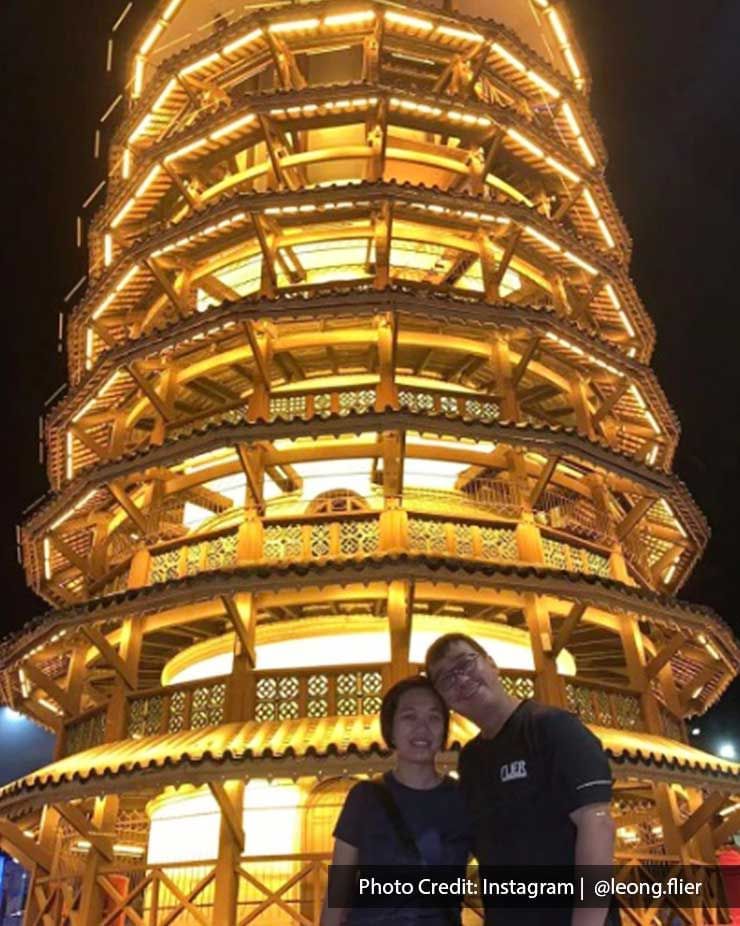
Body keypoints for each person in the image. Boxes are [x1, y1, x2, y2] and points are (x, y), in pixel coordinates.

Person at [425, 633, 617, 926]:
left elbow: (598, 822)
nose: (461, 680)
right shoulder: (471, 760)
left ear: (492, 664)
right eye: (446, 679)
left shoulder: (552, 728)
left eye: (465, 663)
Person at [321, 675, 472, 926]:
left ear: (445, 729)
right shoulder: (364, 797)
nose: (422, 728)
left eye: (434, 717)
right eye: (409, 716)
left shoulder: (464, 799)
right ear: (390, 727)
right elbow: (337, 894)